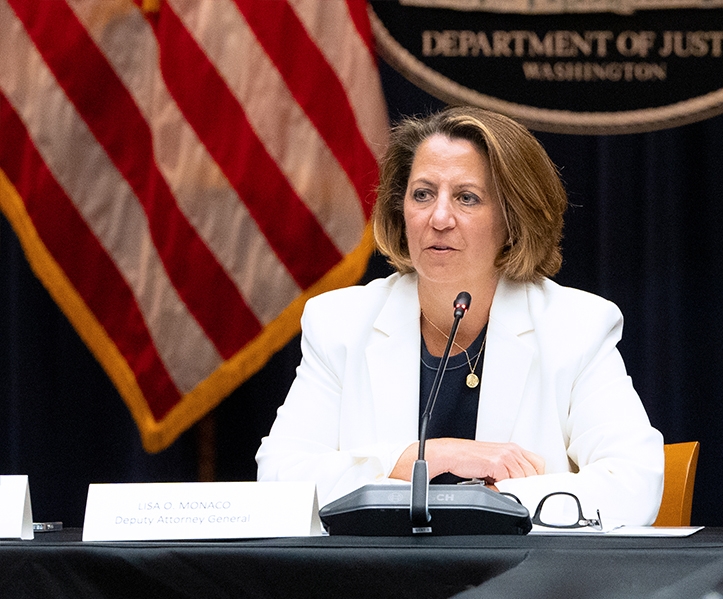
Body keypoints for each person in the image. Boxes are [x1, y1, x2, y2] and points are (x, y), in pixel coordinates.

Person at [256, 106, 664, 526]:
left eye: (466, 197)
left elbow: (634, 482)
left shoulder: (575, 326)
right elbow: (281, 481)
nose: (439, 218)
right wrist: (426, 457)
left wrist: (489, 505)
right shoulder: (341, 323)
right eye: (422, 194)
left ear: (512, 218)